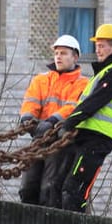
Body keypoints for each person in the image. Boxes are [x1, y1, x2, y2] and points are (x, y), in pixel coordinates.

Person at [51, 24, 112, 213]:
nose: (98, 49)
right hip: (86, 136)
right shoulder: (103, 73)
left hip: (99, 139)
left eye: (102, 45)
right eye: (97, 45)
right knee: (58, 185)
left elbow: (93, 103)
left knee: (74, 188)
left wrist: (69, 123)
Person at [16, 34, 88, 205]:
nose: (58, 57)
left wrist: (52, 121)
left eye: (63, 53)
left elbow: (72, 107)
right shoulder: (42, 80)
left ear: (75, 57)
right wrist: (27, 118)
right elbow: (30, 101)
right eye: (56, 53)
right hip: (39, 139)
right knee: (28, 187)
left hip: (61, 143)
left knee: (49, 189)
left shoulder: (83, 84)